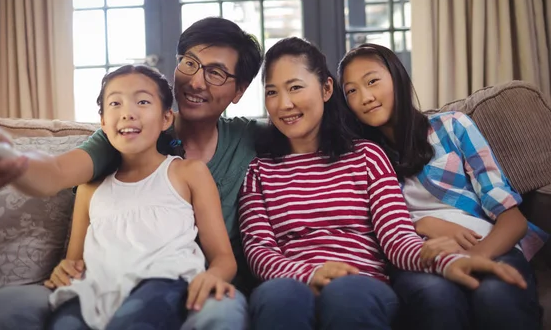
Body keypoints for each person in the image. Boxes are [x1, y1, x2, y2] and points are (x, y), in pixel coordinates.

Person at [0, 17, 262, 330]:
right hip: (101, 287)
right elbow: (55, 171)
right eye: (189, 63)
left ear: (239, 90)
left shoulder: (246, 141)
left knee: (219, 314)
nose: (196, 81)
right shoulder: (124, 137)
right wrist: (12, 162)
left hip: (189, 288)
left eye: (215, 72)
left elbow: (305, 130)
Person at [238, 37, 527, 330]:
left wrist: (446, 261)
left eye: (295, 87)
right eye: (272, 92)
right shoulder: (258, 172)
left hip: (361, 282)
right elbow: (259, 250)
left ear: (326, 89)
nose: (284, 103)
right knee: (278, 296)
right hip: (289, 282)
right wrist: (309, 274)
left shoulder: (367, 156)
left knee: (346, 294)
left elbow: (396, 237)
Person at [337, 43, 546, 330]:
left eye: (372, 81)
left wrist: (474, 258)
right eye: (351, 91)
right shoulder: (361, 158)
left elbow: (513, 219)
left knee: (493, 295)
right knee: (436, 298)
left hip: (488, 244)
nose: (366, 97)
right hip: (418, 258)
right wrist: (422, 223)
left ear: (397, 77)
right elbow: (369, 228)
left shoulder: (452, 126)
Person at [44, 64, 237, 329]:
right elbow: (73, 262)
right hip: (96, 289)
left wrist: (213, 275)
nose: (128, 114)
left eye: (143, 101)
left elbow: (224, 258)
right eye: (115, 103)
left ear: (166, 118)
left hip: (165, 282)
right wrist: (63, 270)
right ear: (102, 122)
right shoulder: (90, 189)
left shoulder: (187, 172)